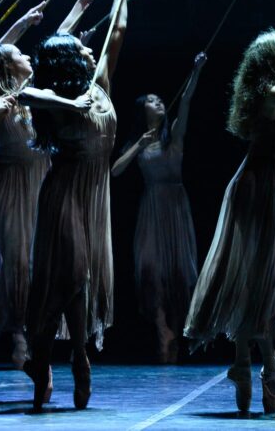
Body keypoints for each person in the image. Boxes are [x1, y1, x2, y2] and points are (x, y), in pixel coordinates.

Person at [0, 2, 95, 400]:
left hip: (42, 187)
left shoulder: (33, 93)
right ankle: (13, 353)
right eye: (20, 55)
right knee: (12, 277)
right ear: (7, 68)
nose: (29, 57)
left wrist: (81, 4)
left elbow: (58, 39)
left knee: (38, 273)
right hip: (10, 195)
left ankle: (3, 354)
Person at [185, 0, 275, 415]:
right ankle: (261, 361)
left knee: (262, 275)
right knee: (255, 274)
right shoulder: (274, 94)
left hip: (272, 182)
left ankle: (248, 362)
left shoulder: (271, 87)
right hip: (257, 186)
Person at [22, 0, 128, 410]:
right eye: (80, 48)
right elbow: (27, 93)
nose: (89, 47)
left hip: (94, 196)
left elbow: (117, 31)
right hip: (65, 194)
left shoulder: (100, 84)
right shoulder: (61, 101)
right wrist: (68, 101)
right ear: (68, 63)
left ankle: (70, 355)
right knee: (68, 277)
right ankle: (58, 358)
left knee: (76, 280)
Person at [112, 52, 206, 363]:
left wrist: (196, 70)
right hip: (152, 210)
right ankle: (162, 328)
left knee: (179, 273)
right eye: (152, 101)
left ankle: (175, 333)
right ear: (142, 110)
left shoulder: (174, 135)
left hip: (176, 207)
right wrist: (139, 144)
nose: (159, 102)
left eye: (159, 99)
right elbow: (115, 171)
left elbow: (187, 101)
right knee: (151, 270)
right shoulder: (138, 142)